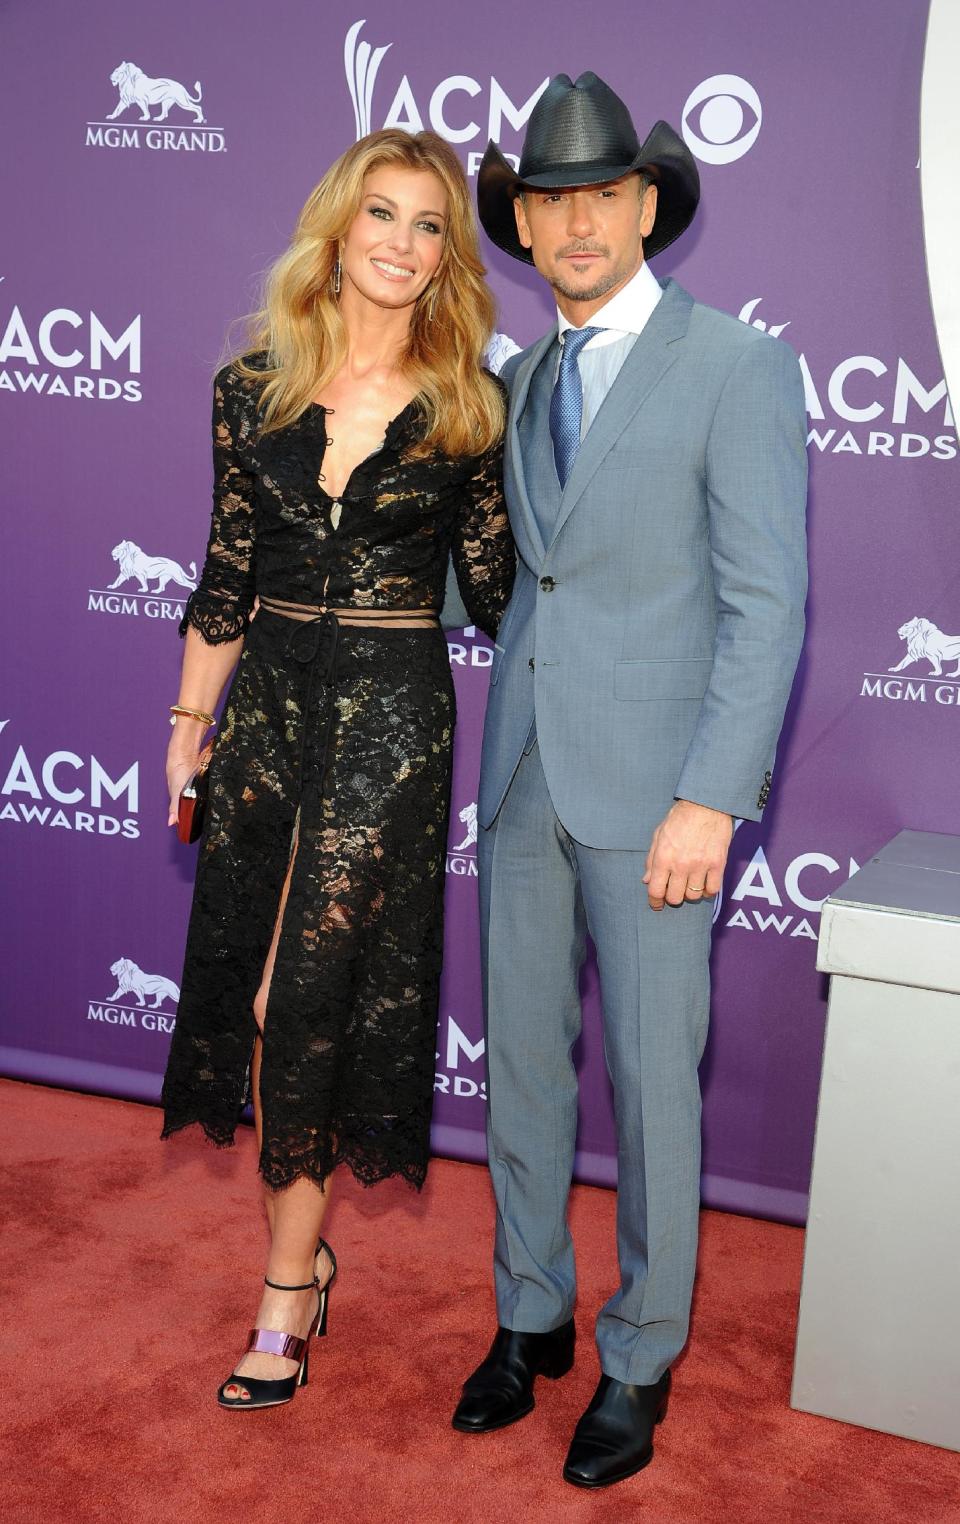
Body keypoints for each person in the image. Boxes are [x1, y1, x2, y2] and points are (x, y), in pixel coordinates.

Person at [453, 73, 808, 1487]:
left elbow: (765, 601)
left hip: (661, 794)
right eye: (550, 200)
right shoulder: (520, 381)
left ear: (649, 206)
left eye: (602, 195)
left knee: (658, 1084)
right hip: (525, 780)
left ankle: (643, 1350)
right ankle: (529, 1311)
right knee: (523, 1069)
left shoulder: (738, 366)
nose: (576, 220)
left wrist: (713, 796)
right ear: (525, 227)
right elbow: (520, 587)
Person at [160, 128, 515, 1410]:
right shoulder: (251, 384)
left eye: (430, 225)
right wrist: (186, 725)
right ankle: (300, 1271)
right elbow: (225, 575)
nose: (403, 243)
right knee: (261, 1002)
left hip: (388, 720)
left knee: (289, 1001)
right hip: (265, 722)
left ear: (448, 255)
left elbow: (504, 588)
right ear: (338, 225)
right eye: (383, 214)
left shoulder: (474, 402)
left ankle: (282, 1296)